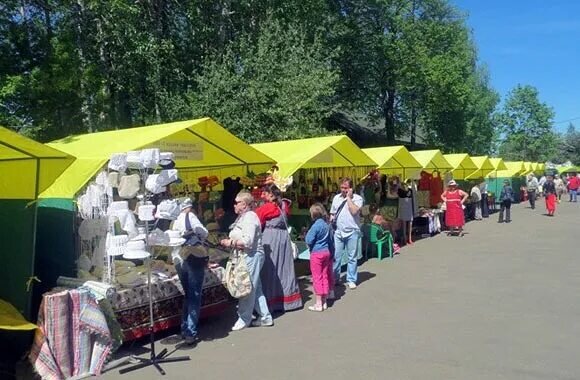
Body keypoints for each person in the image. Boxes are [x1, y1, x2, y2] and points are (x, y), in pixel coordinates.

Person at [220, 191, 273, 331]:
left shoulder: (249, 217)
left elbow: (247, 242)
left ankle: (244, 318)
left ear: (244, 204)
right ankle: (265, 317)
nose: (234, 205)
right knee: (256, 287)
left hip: (251, 255)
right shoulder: (242, 217)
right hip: (246, 256)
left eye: (237, 202)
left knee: (246, 287)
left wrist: (230, 242)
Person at [255, 184, 302, 312]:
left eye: (266, 193)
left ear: (271, 194)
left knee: (271, 269)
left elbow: (257, 221)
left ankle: (271, 301)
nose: (264, 195)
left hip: (271, 238)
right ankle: (289, 300)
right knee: (285, 268)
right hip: (283, 238)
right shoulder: (284, 205)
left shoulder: (268, 207)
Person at [173, 198, 209, 345]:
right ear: (188, 207)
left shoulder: (173, 221)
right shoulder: (190, 217)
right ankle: (190, 332)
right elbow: (203, 232)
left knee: (188, 294)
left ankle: (184, 327)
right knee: (194, 294)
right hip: (192, 257)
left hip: (178, 259)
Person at [330, 178, 363, 290]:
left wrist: (349, 198)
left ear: (351, 188)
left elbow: (354, 211)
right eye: (342, 188)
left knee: (352, 257)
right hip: (338, 231)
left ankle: (351, 279)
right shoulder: (336, 198)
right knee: (336, 256)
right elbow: (332, 213)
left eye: (346, 188)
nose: (343, 190)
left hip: (352, 231)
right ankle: (335, 278)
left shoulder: (358, 199)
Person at [304, 203, 333, 312]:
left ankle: (318, 303)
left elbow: (309, 239)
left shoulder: (315, 226)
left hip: (316, 253)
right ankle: (325, 300)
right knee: (324, 275)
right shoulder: (326, 225)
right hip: (326, 252)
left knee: (317, 277)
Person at [397, 179, 415, 244]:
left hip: (409, 208)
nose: (404, 185)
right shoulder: (399, 191)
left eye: (405, 184)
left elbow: (413, 200)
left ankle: (409, 238)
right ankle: (405, 239)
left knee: (410, 223)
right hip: (404, 208)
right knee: (404, 224)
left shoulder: (410, 190)